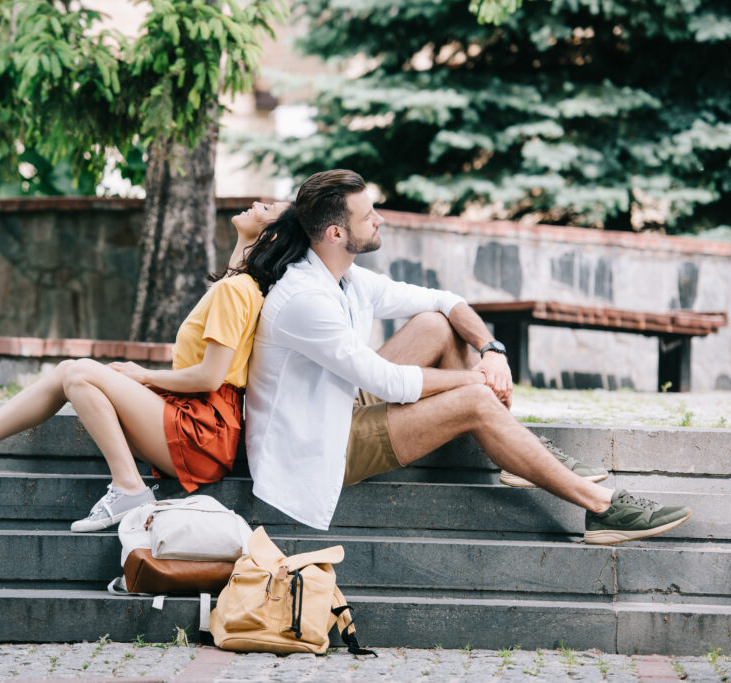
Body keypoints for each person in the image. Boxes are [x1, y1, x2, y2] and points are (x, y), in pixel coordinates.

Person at [244, 169, 691, 545]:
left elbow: (444, 298)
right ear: (336, 232)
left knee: (437, 323)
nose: (379, 220)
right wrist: (475, 382)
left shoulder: (345, 277)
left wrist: (491, 351)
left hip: (337, 404)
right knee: (476, 400)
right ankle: (599, 507)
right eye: (368, 215)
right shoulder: (304, 298)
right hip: (319, 443)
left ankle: (517, 451)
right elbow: (387, 383)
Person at [0, 199, 290, 532]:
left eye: (268, 208)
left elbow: (209, 376)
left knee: (78, 371)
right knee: (75, 375)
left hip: (201, 429)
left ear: (270, 235)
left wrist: (143, 375)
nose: (257, 203)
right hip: (197, 421)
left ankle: (129, 486)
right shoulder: (239, 284)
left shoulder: (237, 291)